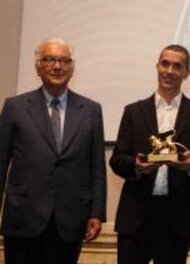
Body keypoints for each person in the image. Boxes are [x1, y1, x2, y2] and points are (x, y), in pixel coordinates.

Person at [0, 38, 107, 264]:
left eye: (64, 60)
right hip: (23, 217)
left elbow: (97, 167)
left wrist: (96, 213)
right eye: (49, 59)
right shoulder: (15, 107)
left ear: (72, 68)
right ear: (38, 66)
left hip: (71, 219)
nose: (57, 66)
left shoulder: (91, 110)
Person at [110, 44, 190, 264]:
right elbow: (118, 159)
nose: (170, 71)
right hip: (136, 215)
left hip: (177, 218)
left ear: (187, 73)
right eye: (165, 64)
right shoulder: (133, 111)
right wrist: (136, 166)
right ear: (157, 66)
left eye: (178, 66)